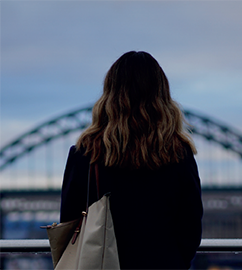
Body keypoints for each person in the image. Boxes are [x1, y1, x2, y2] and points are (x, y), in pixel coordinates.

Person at [60, 51, 203, 269]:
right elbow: (191, 227)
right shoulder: (179, 153)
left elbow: (69, 226)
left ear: (110, 92)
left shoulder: (85, 154)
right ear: (162, 94)